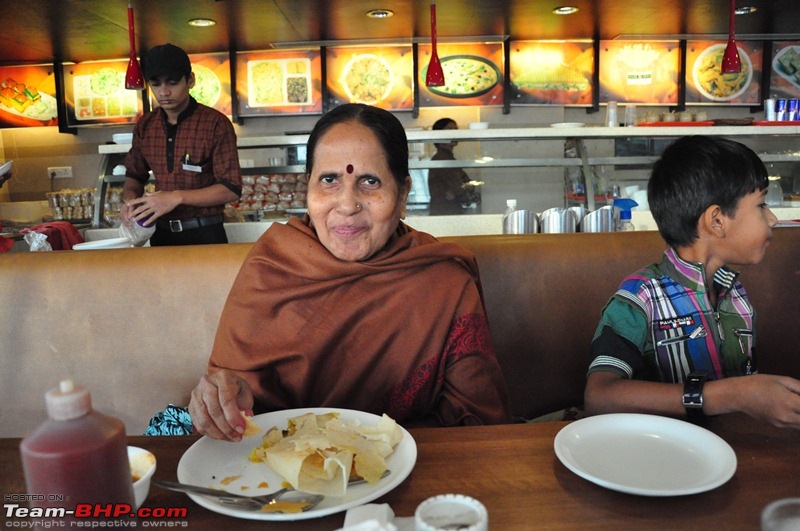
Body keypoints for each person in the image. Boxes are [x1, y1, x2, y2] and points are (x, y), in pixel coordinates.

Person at [188, 103, 510, 441]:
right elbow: (234, 415)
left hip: (415, 471)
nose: (347, 204)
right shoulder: (270, 269)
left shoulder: (442, 280)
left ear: (402, 195)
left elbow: (477, 421)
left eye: (369, 181)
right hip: (282, 481)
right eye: (329, 180)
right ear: (307, 190)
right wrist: (223, 400)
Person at [584, 136, 800, 429]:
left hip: (728, 451)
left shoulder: (734, 294)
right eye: (761, 205)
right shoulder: (639, 298)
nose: (772, 219)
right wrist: (731, 395)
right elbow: (600, 397)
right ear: (717, 221)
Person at [121, 43, 242, 245]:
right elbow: (134, 176)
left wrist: (176, 197)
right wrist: (130, 200)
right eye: (156, 84)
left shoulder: (215, 124)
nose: (164, 92)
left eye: (172, 82)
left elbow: (231, 188)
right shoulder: (145, 125)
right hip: (160, 234)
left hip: (205, 232)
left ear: (191, 80)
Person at [427, 118, 480, 215]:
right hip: (445, 213)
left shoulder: (448, 158)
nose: (454, 133)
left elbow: (465, 186)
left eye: (455, 130)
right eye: (450, 130)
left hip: (449, 212)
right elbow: (459, 188)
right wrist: (466, 190)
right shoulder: (442, 159)